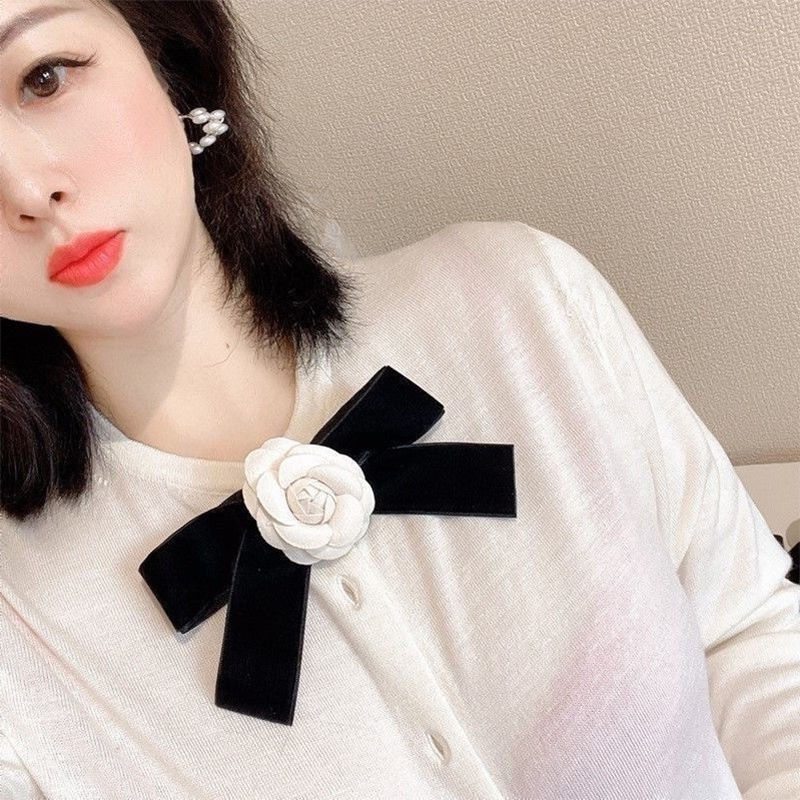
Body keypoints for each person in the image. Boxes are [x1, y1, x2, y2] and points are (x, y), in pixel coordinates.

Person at [1, 1, 797, 798]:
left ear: (168, 59)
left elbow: (748, 629)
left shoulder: (520, 301)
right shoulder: (18, 622)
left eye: (45, 78)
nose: (30, 189)